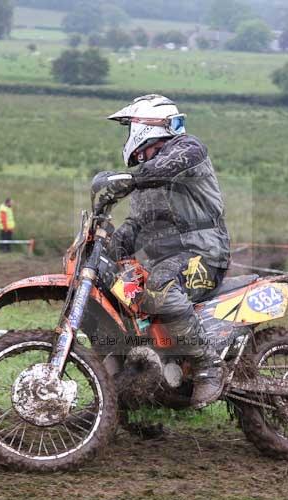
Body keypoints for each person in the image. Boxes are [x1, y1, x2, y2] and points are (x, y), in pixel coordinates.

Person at [94, 94, 231, 408]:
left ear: (148, 127)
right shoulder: (145, 179)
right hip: (168, 261)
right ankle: (130, 393)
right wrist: (102, 246)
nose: (127, 137)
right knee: (119, 292)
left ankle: (208, 365)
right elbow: (133, 226)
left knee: (160, 286)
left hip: (204, 256)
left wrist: (123, 179)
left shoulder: (188, 150)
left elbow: (163, 168)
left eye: (130, 129)